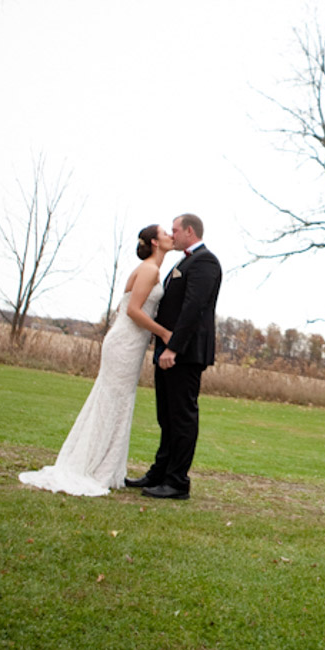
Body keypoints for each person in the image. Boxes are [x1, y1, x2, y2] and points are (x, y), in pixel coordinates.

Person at [18, 223, 175, 496]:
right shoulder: (149, 269)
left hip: (131, 344)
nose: (171, 236)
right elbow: (134, 311)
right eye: (165, 233)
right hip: (124, 344)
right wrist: (164, 334)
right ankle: (92, 467)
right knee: (112, 401)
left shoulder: (153, 270)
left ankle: (107, 466)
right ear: (154, 243)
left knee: (118, 401)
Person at [124, 213, 221, 500]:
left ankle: (177, 482)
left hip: (184, 353)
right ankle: (159, 472)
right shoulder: (184, 261)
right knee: (165, 416)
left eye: (175, 230)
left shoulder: (206, 261)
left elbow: (193, 308)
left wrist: (173, 348)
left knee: (181, 417)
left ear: (189, 231)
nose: (172, 234)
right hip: (167, 351)